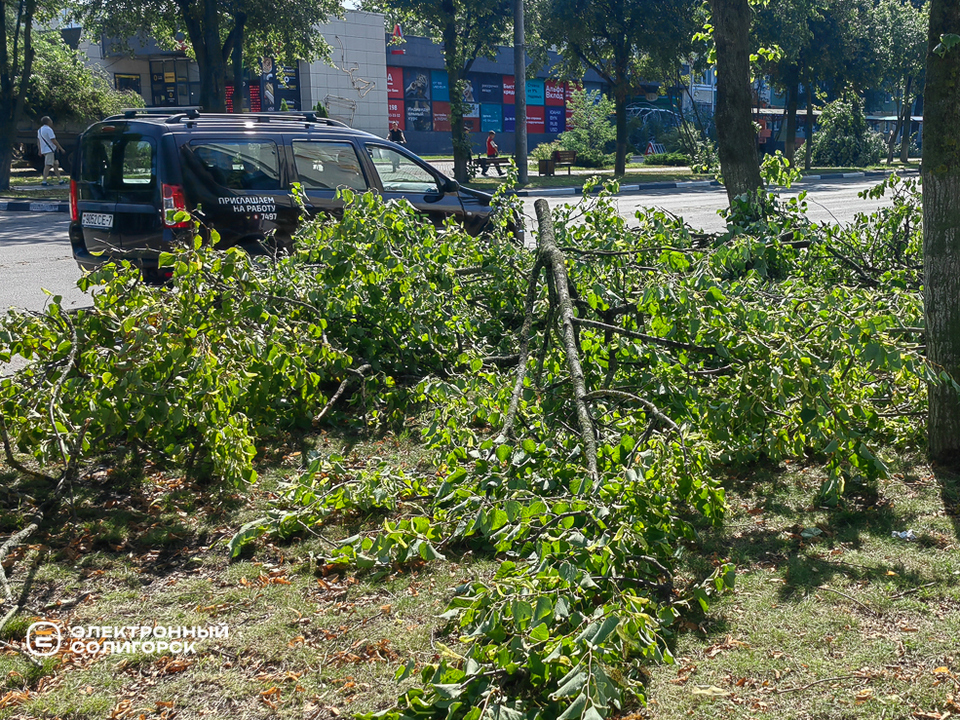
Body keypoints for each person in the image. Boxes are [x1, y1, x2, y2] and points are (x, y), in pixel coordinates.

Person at [37, 116, 66, 186]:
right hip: (50, 150)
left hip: (45, 150)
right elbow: (53, 140)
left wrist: (40, 150)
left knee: (55, 165)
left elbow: (38, 141)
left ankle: (60, 180)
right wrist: (60, 148)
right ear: (48, 121)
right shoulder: (49, 129)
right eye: (50, 120)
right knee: (48, 165)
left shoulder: (40, 130)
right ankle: (44, 181)